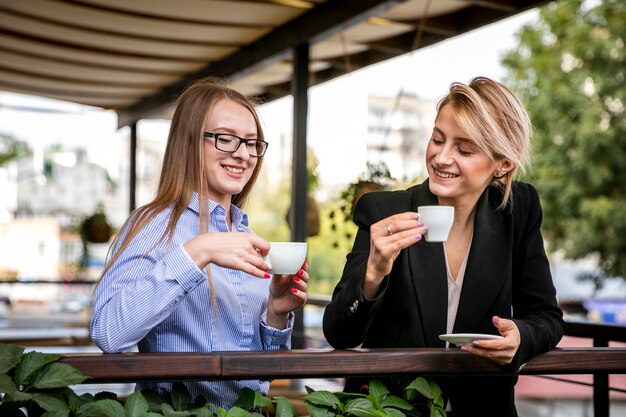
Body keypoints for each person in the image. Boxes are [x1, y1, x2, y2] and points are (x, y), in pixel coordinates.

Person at [322, 76, 564, 416]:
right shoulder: (384, 211)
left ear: (503, 163)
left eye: (464, 150)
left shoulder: (518, 211)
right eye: (437, 139)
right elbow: (339, 333)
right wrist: (374, 271)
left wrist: (520, 338)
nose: (441, 157)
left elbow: (546, 317)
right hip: (389, 409)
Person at [90, 78, 309, 409]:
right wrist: (199, 251)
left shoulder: (244, 234)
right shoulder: (153, 225)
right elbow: (108, 333)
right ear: (189, 142)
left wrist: (276, 312)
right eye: (225, 139)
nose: (243, 154)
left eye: (252, 143)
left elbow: (263, 377)